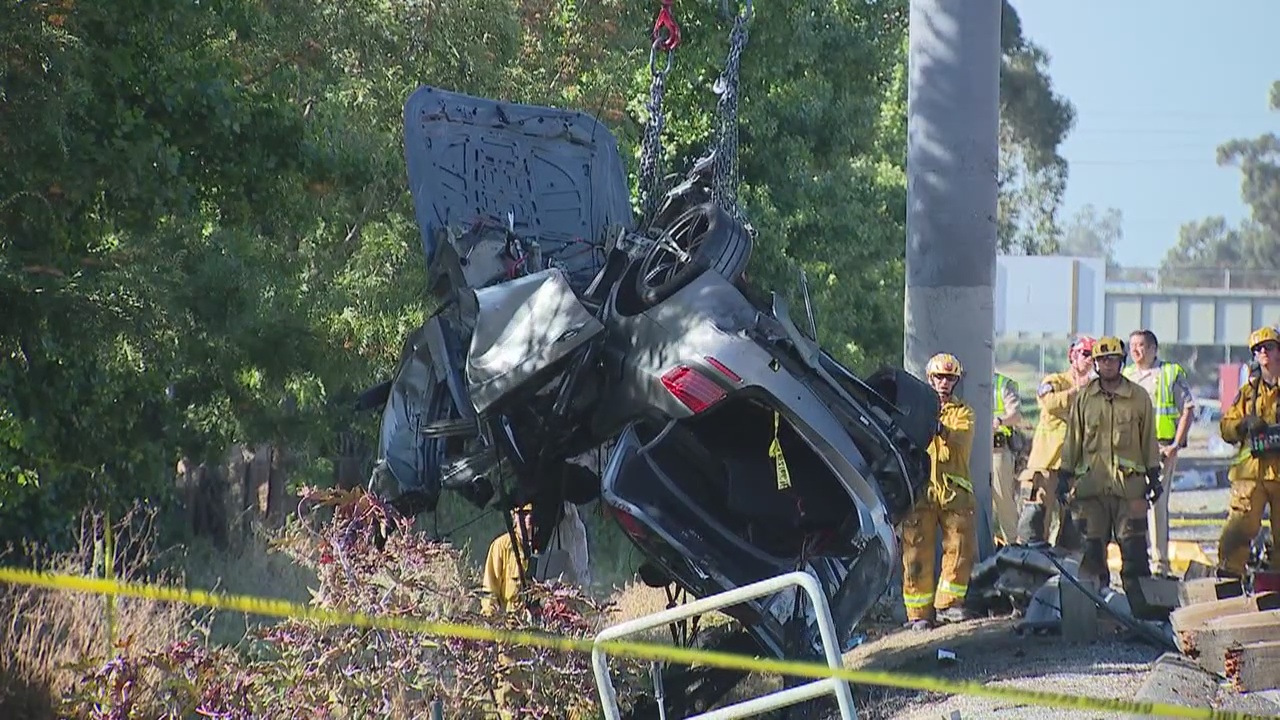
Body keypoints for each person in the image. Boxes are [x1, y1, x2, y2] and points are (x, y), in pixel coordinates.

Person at [1058, 336, 1164, 616]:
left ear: (1122, 362)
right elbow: (1073, 440)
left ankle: (1142, 613)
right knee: (1091, 553)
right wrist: (1064, 474)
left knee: (1135, 553)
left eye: (1113, 359)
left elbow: (1148, 440)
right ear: (1095, 364)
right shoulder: (1084, 399)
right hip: (1091, 489)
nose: (1108, 365)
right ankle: (1095, 611)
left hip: (1130, 489)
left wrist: (1154, 475)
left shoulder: (1138, 397)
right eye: (1102, 360)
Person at [900, 353, 977, 630]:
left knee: (959, 549)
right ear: (930, 379)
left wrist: (934, 426)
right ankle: (918, 614)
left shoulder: (963, 413)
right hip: (922, 491)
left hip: (955, 493)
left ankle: (948, 605)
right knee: (915, 552)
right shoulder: (914, 409)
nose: (944, 383)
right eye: (939, 378)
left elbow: (958, 438)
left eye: (949, 379)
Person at [1123, 329, 1195, 577]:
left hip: (1160, 449)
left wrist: (1176, 444)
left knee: (1156, 505)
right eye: (1132, 345)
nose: (1135, 350)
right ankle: (1138, 563)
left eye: (1141, 345)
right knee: (1133, 505)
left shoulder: (1169, 373)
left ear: (1154, 348)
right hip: (1132, 451)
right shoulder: (1126, 376)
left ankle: (1159, 566)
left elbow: (1187, 408)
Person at [1016, 336, 1095, 548]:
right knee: (1036, 519)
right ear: (1073, 356)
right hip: (1047, 464)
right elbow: (1048, 402)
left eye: (1093, 357)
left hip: (1076, 465)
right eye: (1085, 354)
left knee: (1074, 524)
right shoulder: (1055, 381)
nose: (1089, 361)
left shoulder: (1095, 391)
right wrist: (1076, 391)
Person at [1215, 327, 1280, 578]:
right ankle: (1230, 580)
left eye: (1269, 347)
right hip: (1251, 476)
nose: (1263, 352)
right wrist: (1244, 424)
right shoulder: (1247, 393)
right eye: (1258, 349)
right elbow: (1226, 428)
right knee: (1238, 531)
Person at [991, 372, 1023, 544]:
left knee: (1003, 501)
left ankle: (1013, 544)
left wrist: (999, 421)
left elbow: (1016, 414)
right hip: (970, 449)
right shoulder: (961, 379)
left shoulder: (1003, 384)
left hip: (997, 451)